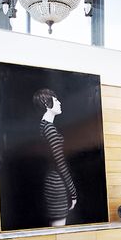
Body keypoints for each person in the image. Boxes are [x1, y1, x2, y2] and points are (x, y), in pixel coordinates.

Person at [33, 88, 77, 226]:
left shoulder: (43, 126)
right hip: (56, 184)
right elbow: (60, 164)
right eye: (56, 100)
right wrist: (73, 193)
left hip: (49, 182)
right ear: (47, 104)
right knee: (58, 233)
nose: (59, 102)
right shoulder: (49, 129)